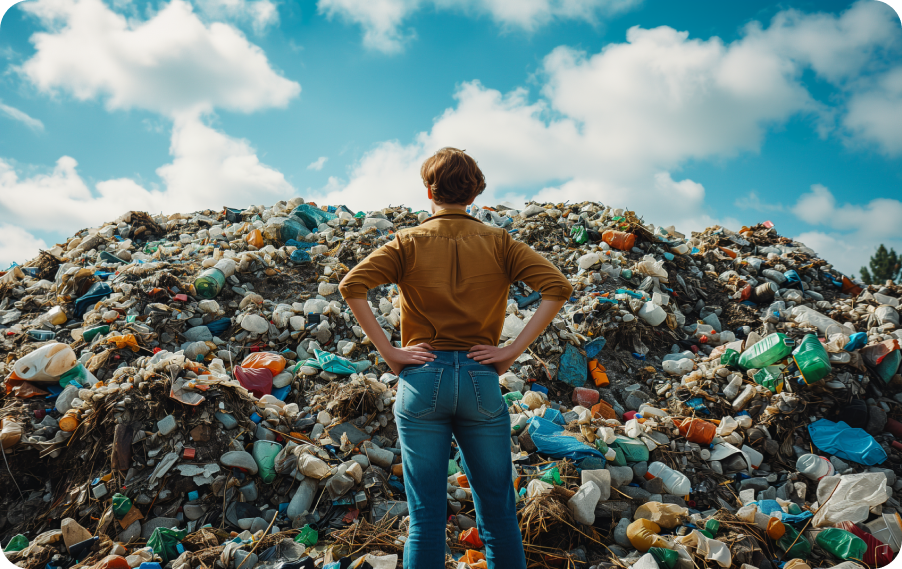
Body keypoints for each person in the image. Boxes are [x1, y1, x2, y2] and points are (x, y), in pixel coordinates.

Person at [338, 147, 573, 569]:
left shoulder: (407, 241)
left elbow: (352, 286)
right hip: (481, 378)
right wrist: (510, 351)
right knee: (499, 516)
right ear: (476, 191)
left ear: (428, 189)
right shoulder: (501, 242)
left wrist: (391, 352)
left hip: (422, 378)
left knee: (425, 518)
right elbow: (557, 287)